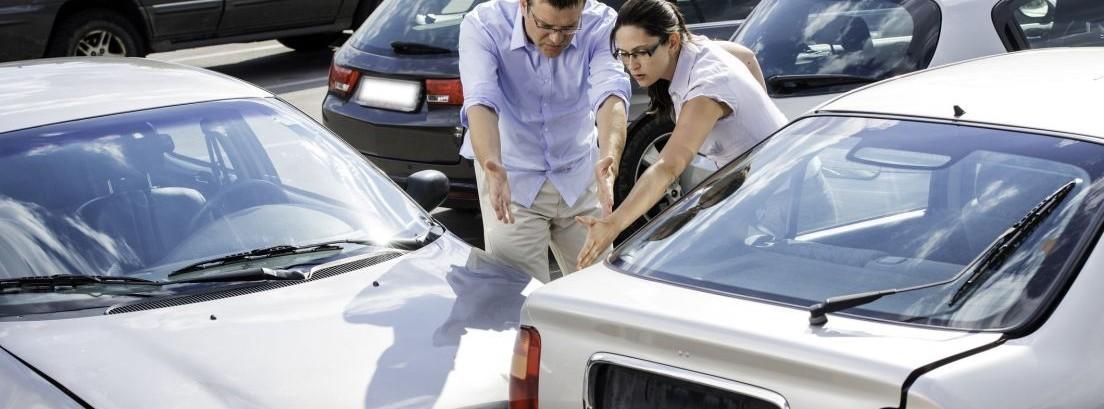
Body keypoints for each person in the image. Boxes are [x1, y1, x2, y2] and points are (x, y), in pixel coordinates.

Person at [576, 0, 786, 268]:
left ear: (672, 42)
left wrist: (613, 224)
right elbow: (746, 55)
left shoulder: (707, 86)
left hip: (783, 201)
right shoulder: (694, 47)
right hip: (753, 187)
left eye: (641, 53)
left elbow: (668, 166)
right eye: (624, 54)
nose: (632, 65)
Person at [459, 0, 631, 282]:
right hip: (511, 180)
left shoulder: (601, 22)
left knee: (599, 290)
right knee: (520, 303)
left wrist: (609, 158)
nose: (555, 38)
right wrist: (491, 163)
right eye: (546, 26)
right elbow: (481, 100)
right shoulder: (483, 25)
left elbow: (611, 93)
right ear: (523, 4)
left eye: (568, 28)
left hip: (580, 174)